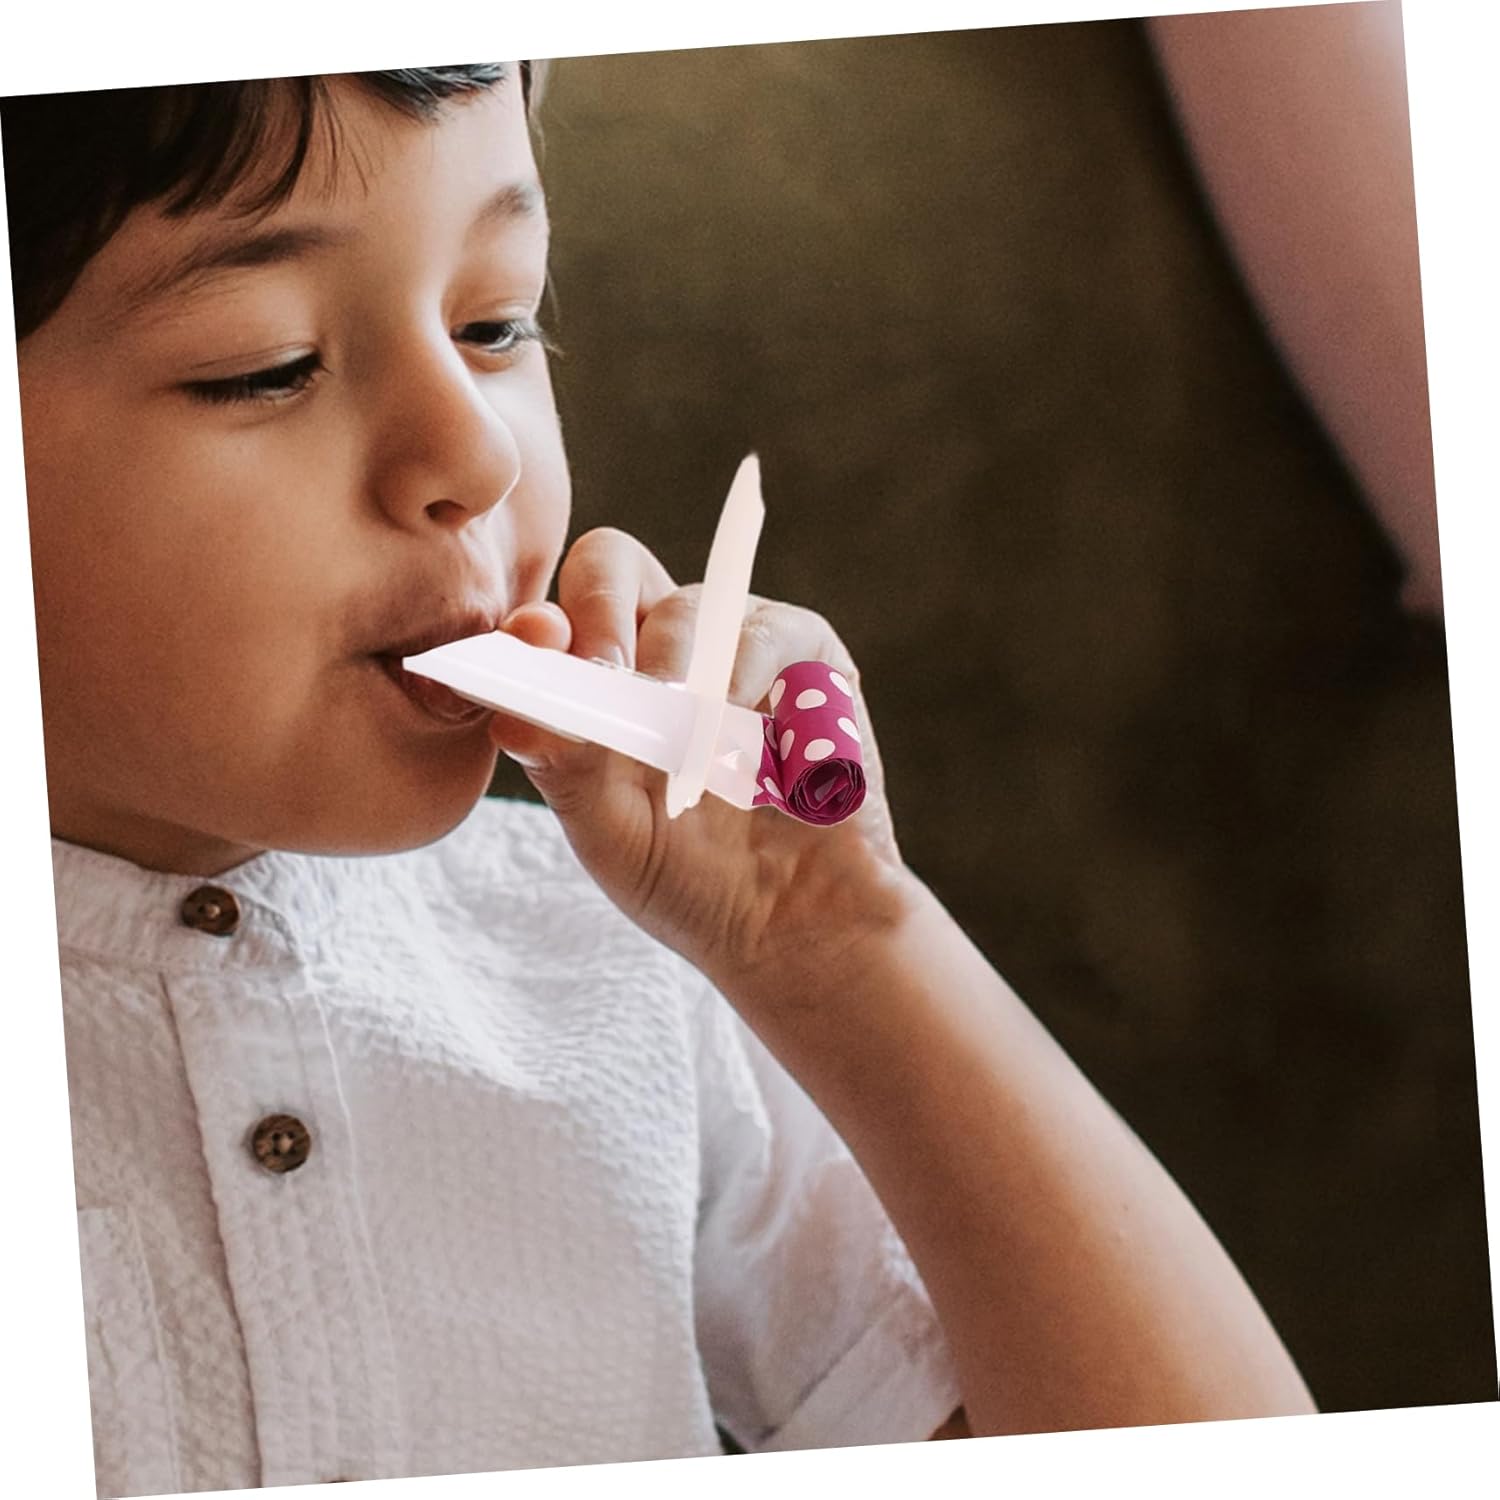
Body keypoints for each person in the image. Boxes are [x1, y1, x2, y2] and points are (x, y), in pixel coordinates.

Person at [4, 63, 1315, 1498]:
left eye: (495, 325)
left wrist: (838, 944)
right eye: (265, 364)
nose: (474, 453)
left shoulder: (627, 972)